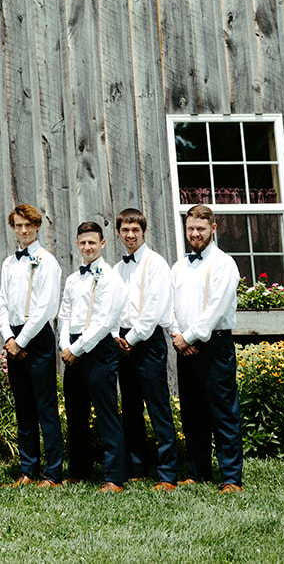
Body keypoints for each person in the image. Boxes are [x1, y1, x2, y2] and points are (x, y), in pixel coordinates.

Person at [171, 204, 244, 492]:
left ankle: (230, 477)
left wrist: (190, 336)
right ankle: (197, 471)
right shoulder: (179, 265)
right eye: (190, 228)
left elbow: (217, 307)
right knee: (192, 412)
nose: (195, 234)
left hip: (215, 345)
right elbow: (170, 306)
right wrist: (178, 335)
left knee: (223, 411)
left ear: (213, 229)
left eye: (200, 229)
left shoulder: (224, 263)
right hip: (184, 347)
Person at [59, 220, 129, 490]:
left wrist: (76, 350)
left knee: (106, 411)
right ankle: (79, 470)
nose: (87, 247)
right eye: (83, 242)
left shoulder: (112, 278)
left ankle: (114, 476)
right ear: (77, 245)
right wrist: (66, 345)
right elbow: (64, 315)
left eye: (92, 242)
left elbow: (104, 321)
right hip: (72, 347)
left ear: (102, 244)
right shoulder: (73, 279)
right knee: (76, 412)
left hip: (99, 347)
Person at [0, 203, 63, 486]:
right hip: (13, 337)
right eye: (18, 226)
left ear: (37, 227)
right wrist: (8, 338)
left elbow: (46, 307)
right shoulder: (8, 263)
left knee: (45, 406)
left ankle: (53, 471)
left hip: (37, 337)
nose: (23, 230)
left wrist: (21, 340)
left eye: (28, 225)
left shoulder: (47, 261)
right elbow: (1, 305)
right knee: (23, 406)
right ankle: (28, 469)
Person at [114, 208, 179, 489]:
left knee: (158, 407)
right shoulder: (117, 268)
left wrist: (133, 338)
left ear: (143, 232)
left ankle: (167, 473)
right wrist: (118, 336)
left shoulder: (156, 264)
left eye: (135, 231)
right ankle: (136, 467)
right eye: (125, 231)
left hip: (147, 340)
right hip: (122, 341)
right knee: (129, 407)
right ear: (119, 233)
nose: (130, 235)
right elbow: (114, 307)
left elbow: (155, 309)